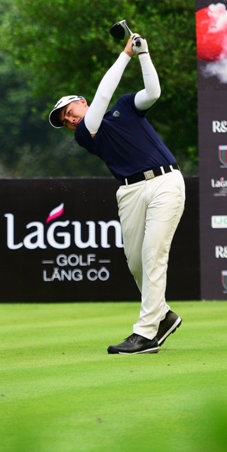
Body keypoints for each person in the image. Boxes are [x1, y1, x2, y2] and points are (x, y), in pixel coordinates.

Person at [49, 34, 185, 355]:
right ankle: (164, 316)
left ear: (81, 102)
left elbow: (153, 92)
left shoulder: (126, 107)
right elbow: (102, 96)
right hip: (129, 191)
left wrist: (144, 54)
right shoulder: (86, 134)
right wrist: (125, 55)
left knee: (152, 254)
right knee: (136, 263)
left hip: (165, 182)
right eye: (65, 120)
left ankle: (145, 334)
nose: (69, 118)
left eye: (69, 110)